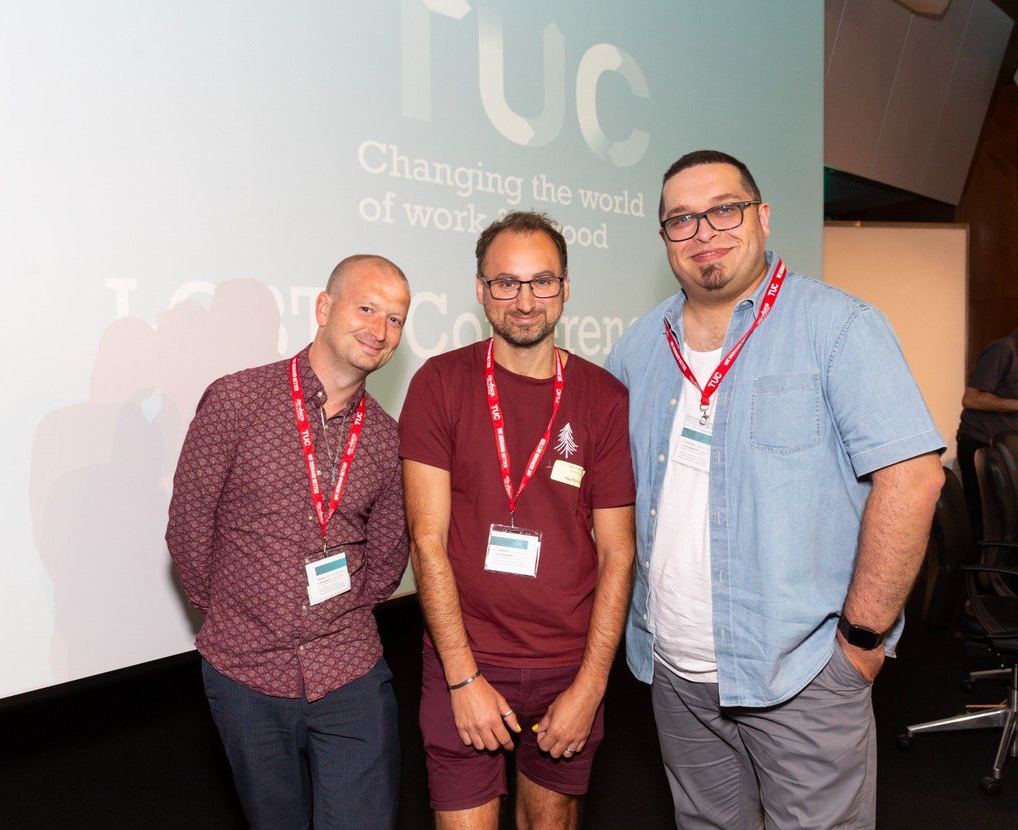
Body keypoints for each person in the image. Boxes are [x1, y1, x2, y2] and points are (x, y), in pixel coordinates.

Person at [605, 150, 946, 829]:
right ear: (665, 238)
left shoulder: (839, 328)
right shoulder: (638, 349)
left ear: (761, 217)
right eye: (681, 220)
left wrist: (860, 642)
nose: (703, 232)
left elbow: (913, 479)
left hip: (803, 675)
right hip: (676, 674)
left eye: (723, 210)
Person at [400, 212, 636, 829]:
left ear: (565, 288)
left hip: (568, 663)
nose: (524, 300)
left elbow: (618, 554)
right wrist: (461, 678)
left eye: (542, 282)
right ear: (480, 290)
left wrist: (590, 688)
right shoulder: (439, 383)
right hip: (468, 656)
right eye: (506, 283)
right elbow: (427, 543)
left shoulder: (604, 397)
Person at [166, 255, 412, 830]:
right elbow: (188, 528)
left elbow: (385, 559)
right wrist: (242, 613)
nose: (379, 330)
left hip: (349, 670)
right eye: (367, 308)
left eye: (396, 319)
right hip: (246, 674)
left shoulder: (383, 437)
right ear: (325, 308)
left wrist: (336, 616)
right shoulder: (236, 401)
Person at [956, 329, 1018, 540]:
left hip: (1006, 450)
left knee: (1005, 521)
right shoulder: (1004, 349)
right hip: (980, 445)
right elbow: (971, 399)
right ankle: (980, 571)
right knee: (984, 522)